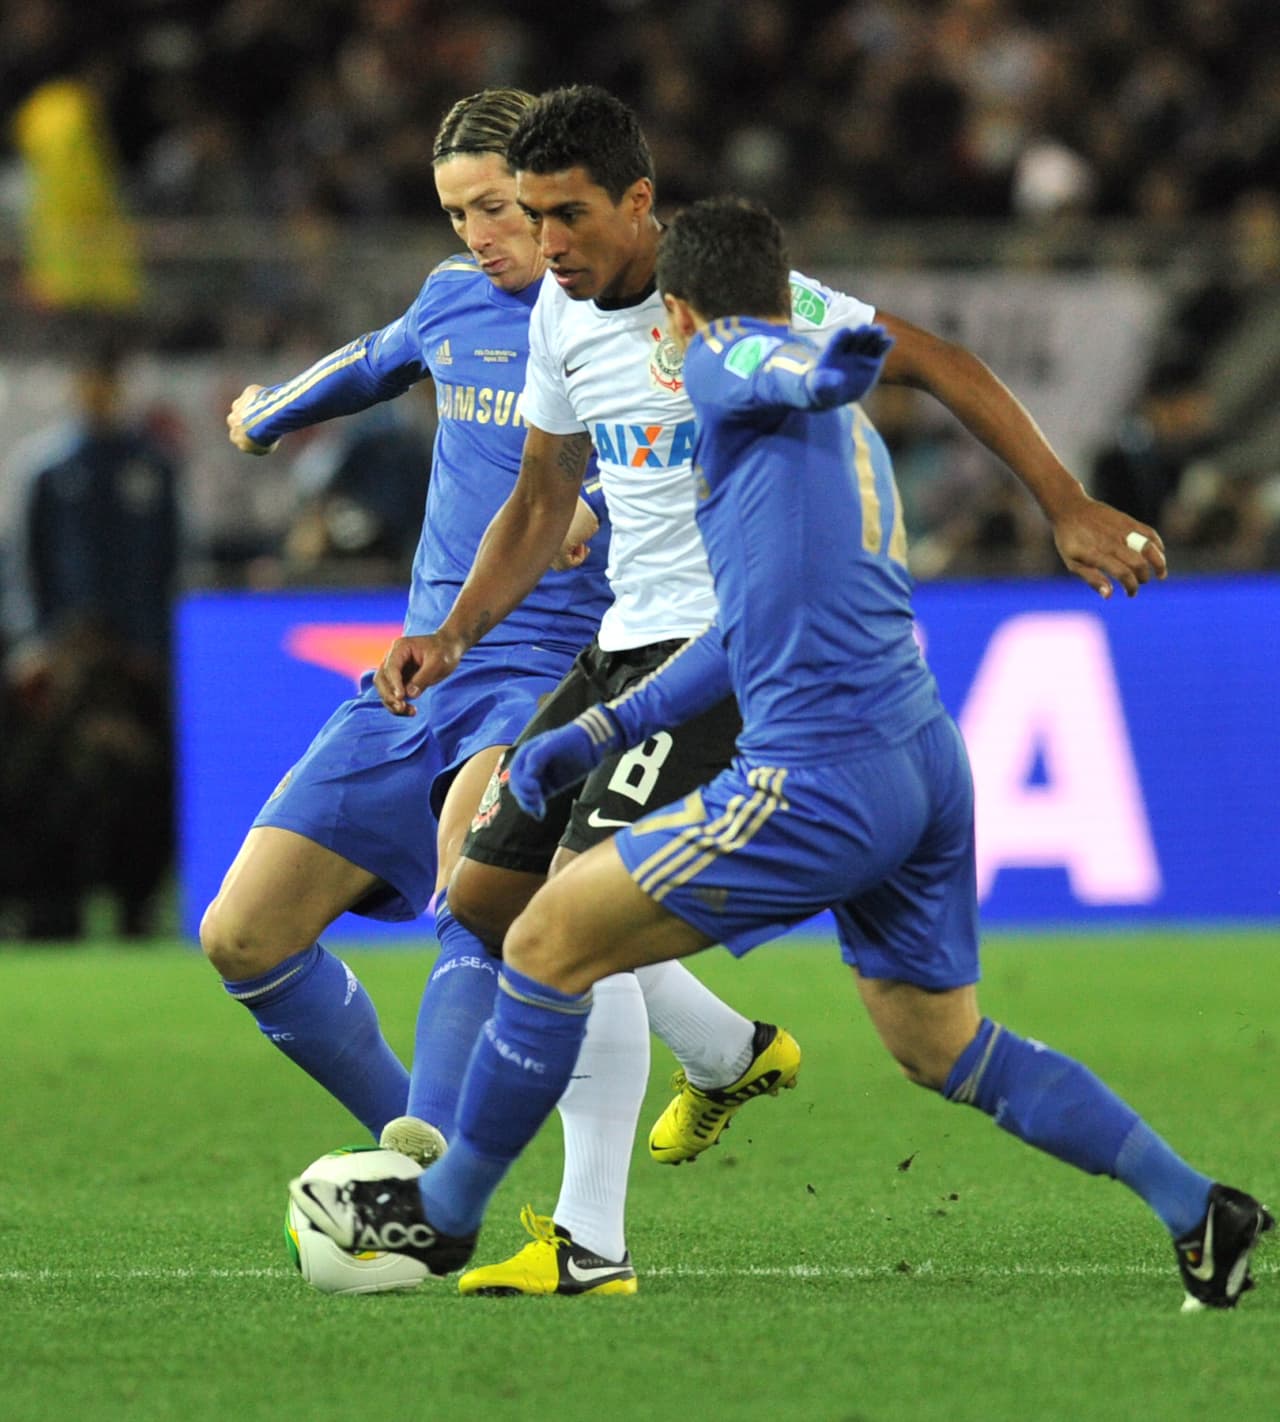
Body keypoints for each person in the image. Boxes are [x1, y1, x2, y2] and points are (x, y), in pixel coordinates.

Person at [293, 196, 1271, 1313]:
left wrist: (812, 365)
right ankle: (1197, 1206)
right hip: (919, 757)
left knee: (547, 935)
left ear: (676, 309)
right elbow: (740, 629)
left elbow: (751, 363)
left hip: (819, 775)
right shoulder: (815, 438)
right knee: (941, 1046)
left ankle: (445, 1216)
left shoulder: (727, 373)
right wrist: (591, 738)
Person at [203, 89, 791, 1297]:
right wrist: (266, 418)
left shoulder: (645, 317)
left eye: (494, 208)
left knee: (510, 904)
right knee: (241, 935)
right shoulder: (457, 302)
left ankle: (444, 1202)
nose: (480, 233)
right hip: (422, 671)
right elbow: (364, 366)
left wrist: (606, 507)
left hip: (559, 674)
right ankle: (440, 1150)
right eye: (459, 212)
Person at [2, 339, 178, 936]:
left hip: (138, 657)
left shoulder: (152, 467)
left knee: (148, 777)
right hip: (67, 656)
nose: (99, 395)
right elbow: (24, 564)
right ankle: (50, 904)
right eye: (90, 383)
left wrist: (156, 643)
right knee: (47, 779)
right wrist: (34, 643)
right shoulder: (47, 469)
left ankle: (140, 900)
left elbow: (171, 562)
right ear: (76, 389)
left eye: (109, 383)